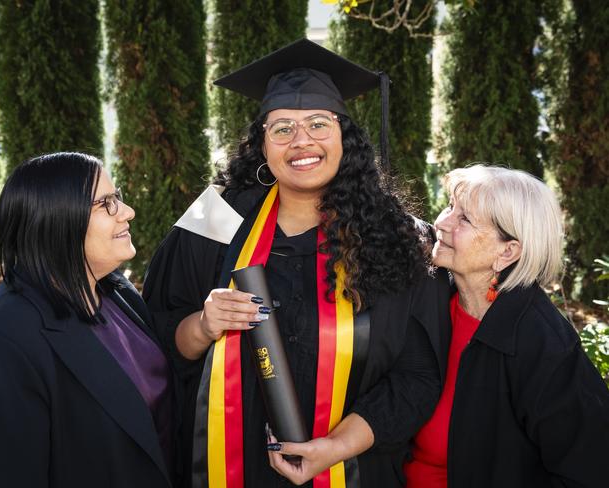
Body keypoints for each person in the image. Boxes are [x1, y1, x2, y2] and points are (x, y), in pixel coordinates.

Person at [143, 39, 451, 488]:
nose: (301, 141)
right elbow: (153, 335)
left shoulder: (397, 236)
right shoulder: (216, 217)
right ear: (261, 146)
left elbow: (418, 376)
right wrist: (203, 326)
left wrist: (337, 447)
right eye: (282, 128)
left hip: (350, 468)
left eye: (318, 124)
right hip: (225, 466)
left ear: (345, 137)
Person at [0, 152, 178, 488]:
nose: (127, 212)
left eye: (117, 198)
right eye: (106, 203)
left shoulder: (116, 292)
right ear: (57, 220)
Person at [402, 165, 609, 487]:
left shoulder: (543, 344)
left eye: (465, 219)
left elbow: (587, 473)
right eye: (450, 207)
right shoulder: (431, 299)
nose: (441, 223)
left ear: (507, 252)